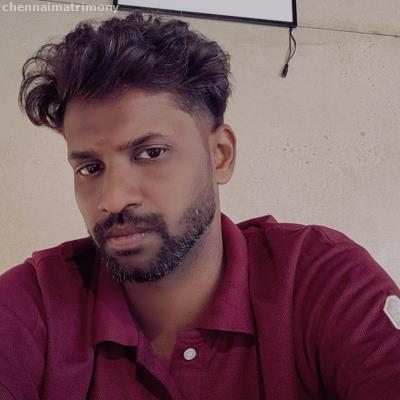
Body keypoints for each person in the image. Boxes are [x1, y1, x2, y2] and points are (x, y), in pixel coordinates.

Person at [1, 11, 399, 400]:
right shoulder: (34, 303)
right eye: (90, 168)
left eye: (151, 153)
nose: (113, 199)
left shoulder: (321, 279)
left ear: (220, 155)